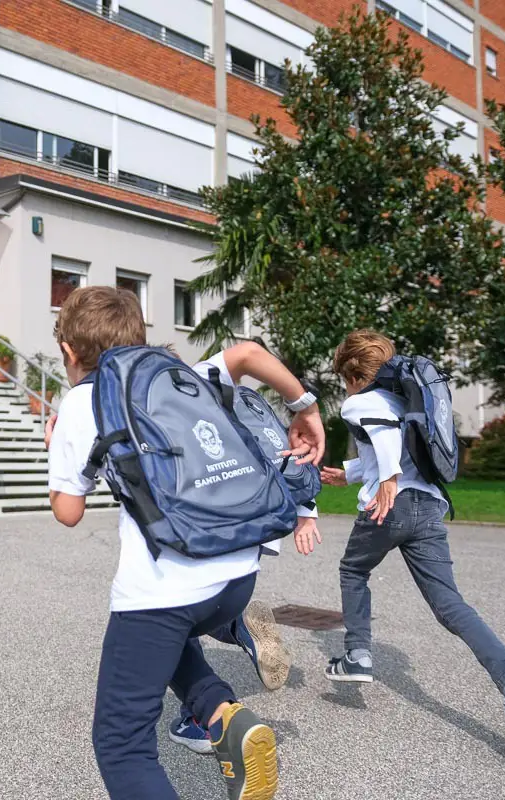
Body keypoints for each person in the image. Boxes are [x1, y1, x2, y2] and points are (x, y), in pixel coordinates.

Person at [45, 286, 325, 800]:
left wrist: (56, 445)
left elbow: (68, 511)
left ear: (69, 350)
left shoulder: (81, 402)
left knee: (121, 746)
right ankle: (223, 717)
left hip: (165, 590)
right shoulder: (181, 375)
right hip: (237, 577)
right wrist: (304, 407)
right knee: (168, 646)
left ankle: (218, 717)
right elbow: (249, 353)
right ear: (139, 337)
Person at [319, 329, 505, 765]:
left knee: (353, 570)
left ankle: (357, 655)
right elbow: (387, 444)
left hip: (390, 506)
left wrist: (387, 480)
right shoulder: (403, 403)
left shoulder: (359, 402)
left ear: (351, 375)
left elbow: (385, 443)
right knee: (450, 605)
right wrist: (349, 473)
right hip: (428, 507)